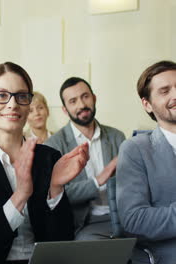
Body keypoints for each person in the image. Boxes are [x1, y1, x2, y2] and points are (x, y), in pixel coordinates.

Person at [0, 62, 89, 264]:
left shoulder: (48, 157)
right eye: (1, 95)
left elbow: (62, 240)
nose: (12, 104)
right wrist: (21, 195)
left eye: (21, 96)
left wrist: (55, 189)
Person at [44, 77, 125, 240]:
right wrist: (99, 180)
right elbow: (59, 195)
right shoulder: (53, 145)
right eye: (73, 101)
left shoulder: (117, 136)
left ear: (94, 98)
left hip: (124, 217)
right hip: (85, 223)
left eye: (85, 97)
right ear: (65, 109)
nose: (81, 105)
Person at [117, 60, 176, 264]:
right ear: (147, 104)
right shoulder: (135, 149)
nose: (175, 95)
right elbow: (134, 220)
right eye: (165, 91)